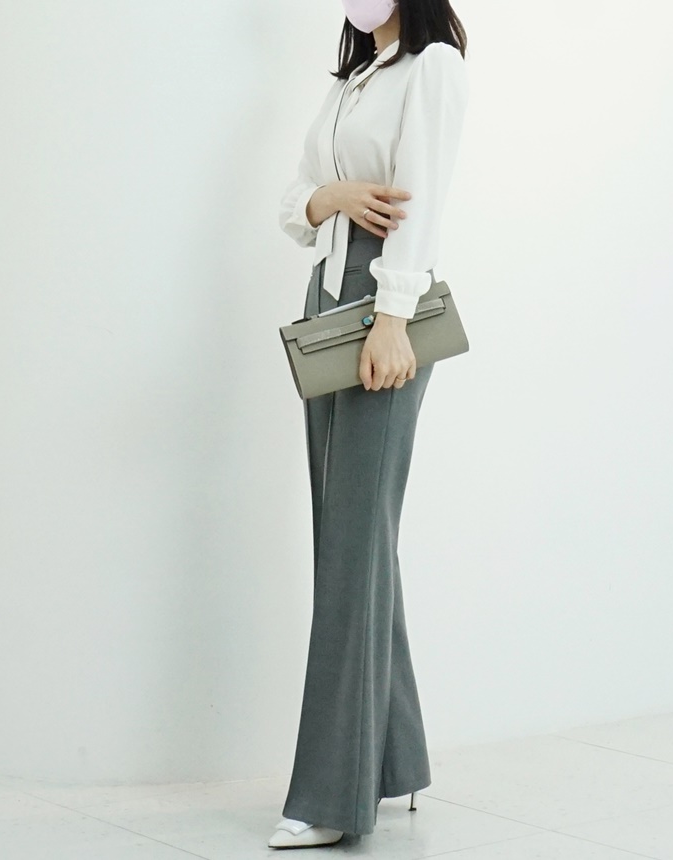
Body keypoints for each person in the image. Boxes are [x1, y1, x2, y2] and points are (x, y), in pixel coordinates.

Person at [269, 0, 468, 849]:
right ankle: (394, 761)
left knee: (354, 546)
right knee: (351, 541)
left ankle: (331, 797)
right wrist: (330, 196)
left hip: (381, 308)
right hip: (324, 304)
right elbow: (293, 204)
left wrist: (394, 318)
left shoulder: (433, 68)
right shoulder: (354, 79)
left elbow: (422, 205)